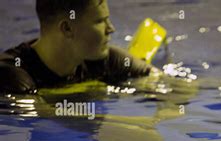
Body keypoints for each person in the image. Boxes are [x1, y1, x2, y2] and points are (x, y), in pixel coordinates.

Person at [0, 0, 157, 94]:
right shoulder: (12, 75)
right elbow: (47, 118)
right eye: (100, 21)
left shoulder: (101, 60)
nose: (111, 29)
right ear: (67, 28)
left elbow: (165, 83)